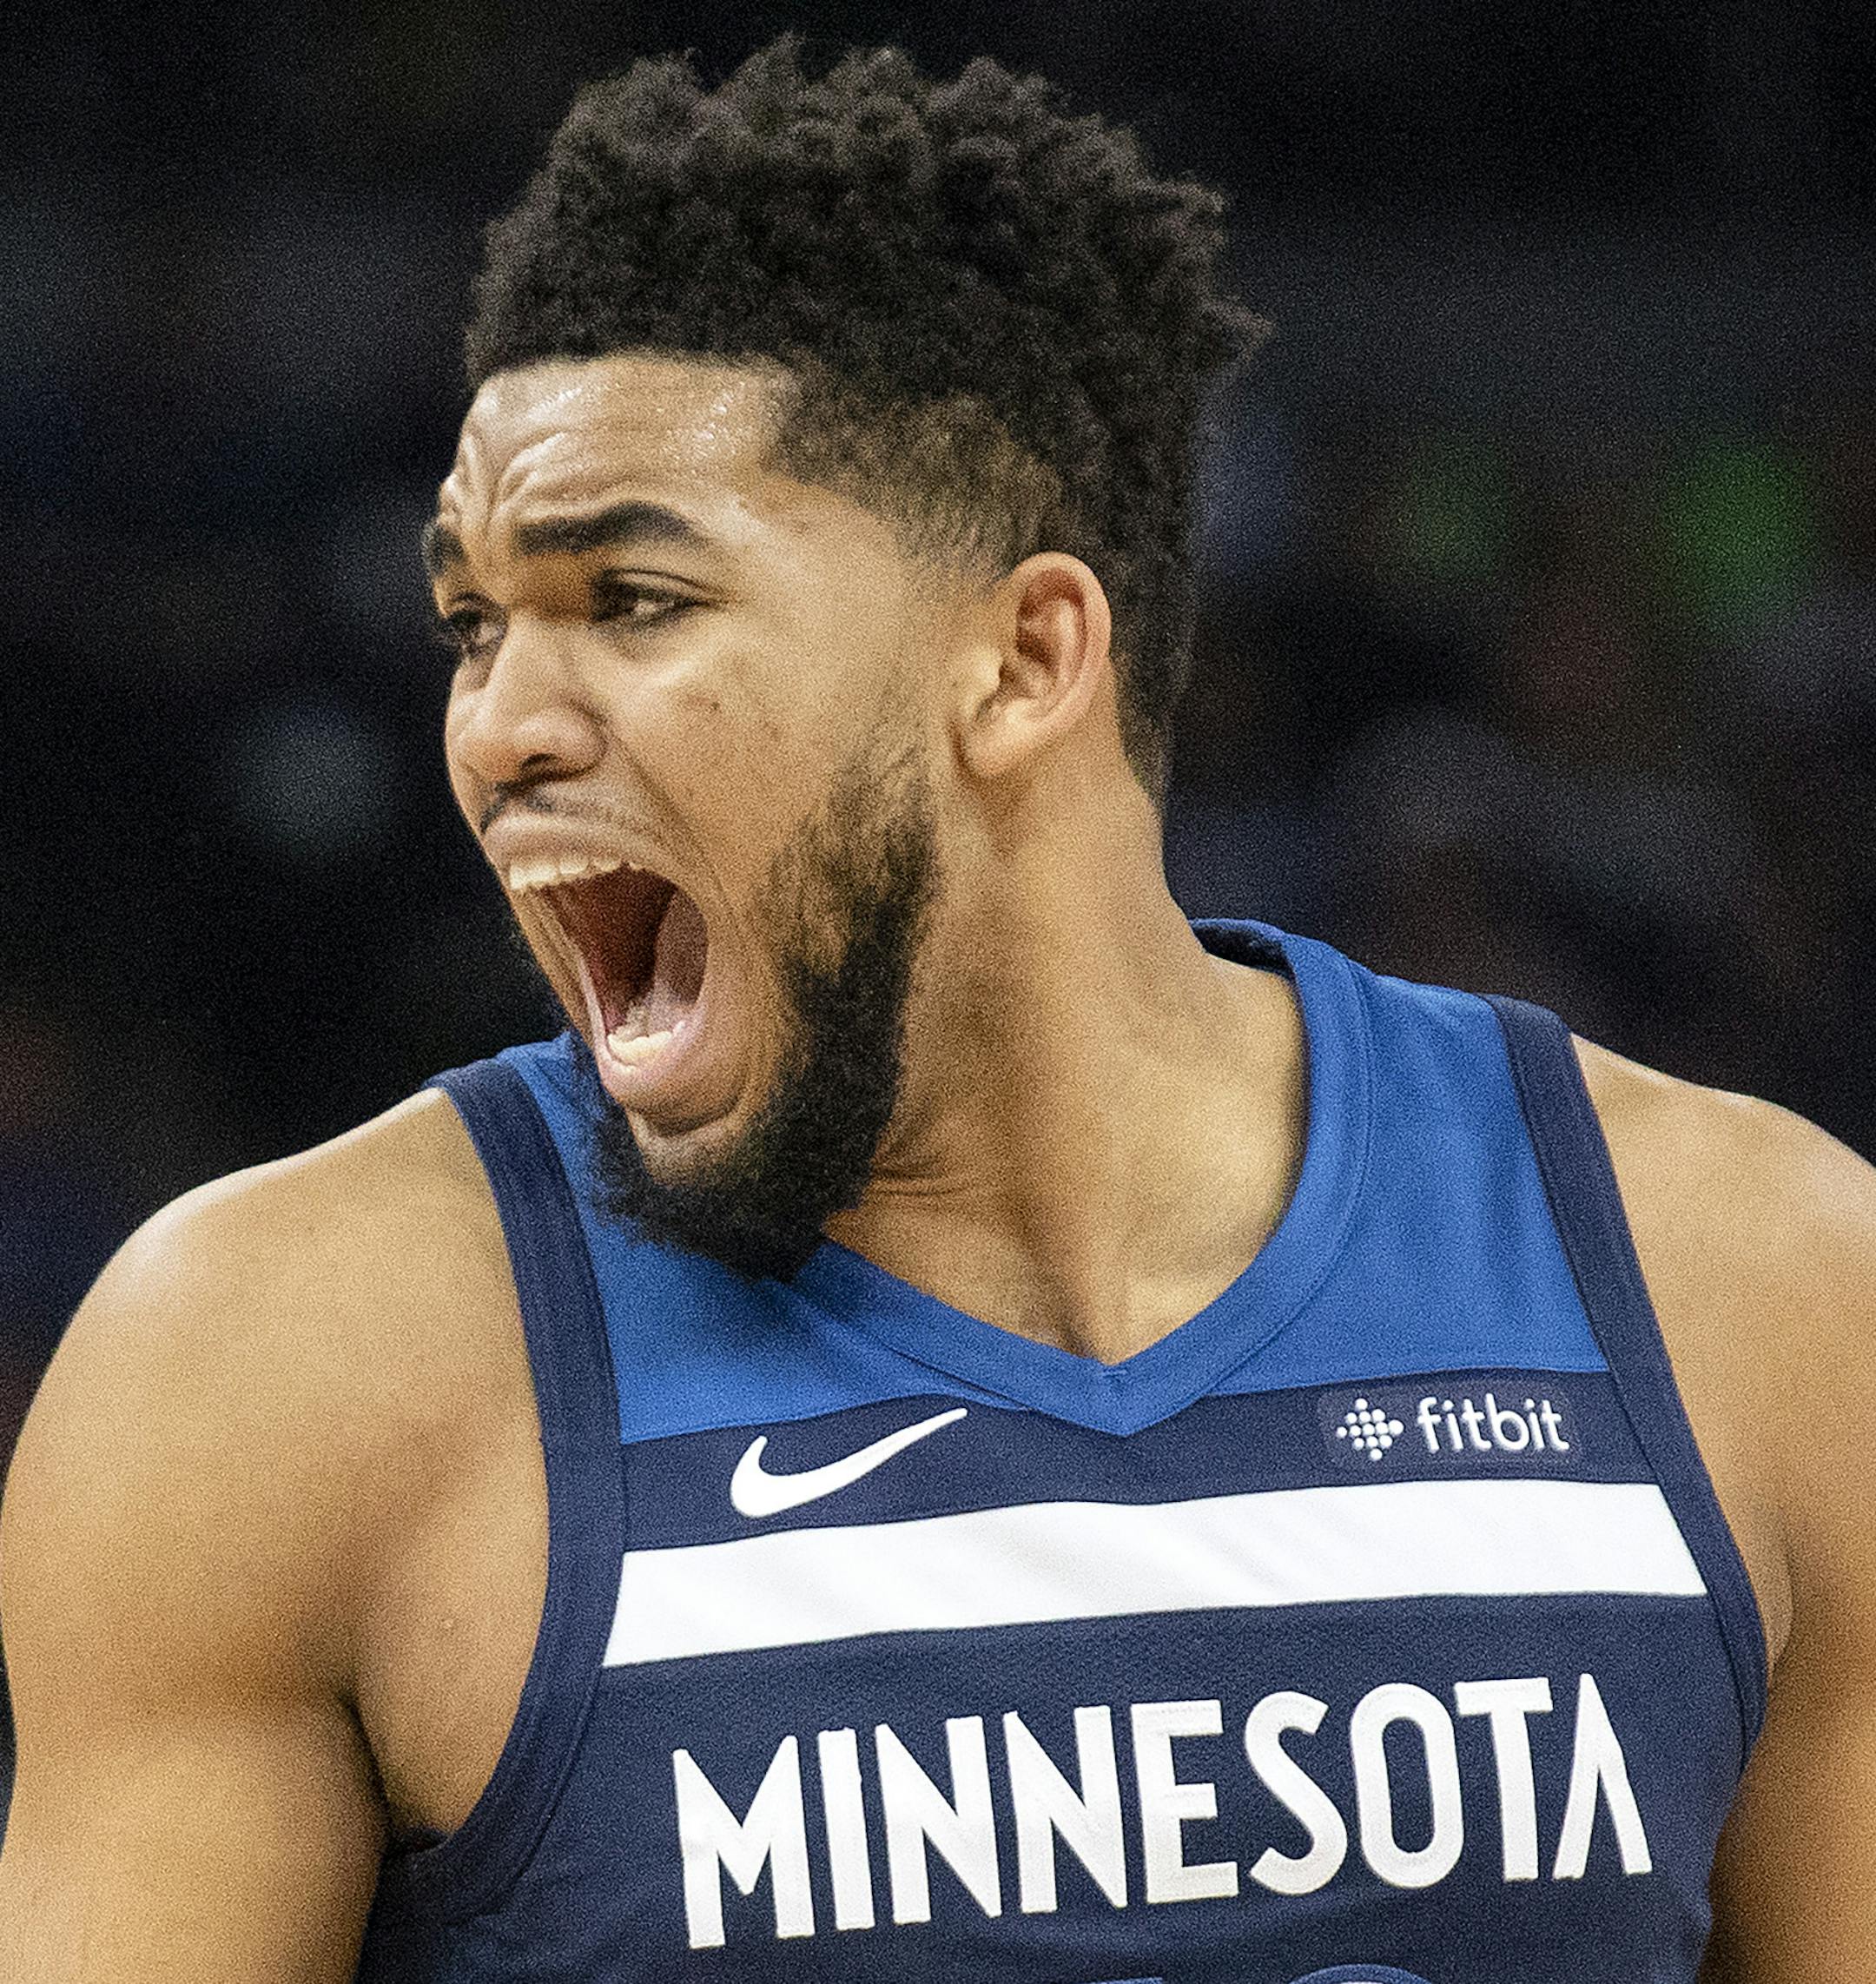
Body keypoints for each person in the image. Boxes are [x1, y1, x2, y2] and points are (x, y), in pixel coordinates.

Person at [1, 36, 1869, 1984]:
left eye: (633, 598)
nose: (498, 723)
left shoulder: (1756, 1288)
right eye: (477, 618)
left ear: (1024, 656)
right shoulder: (278, 1377)